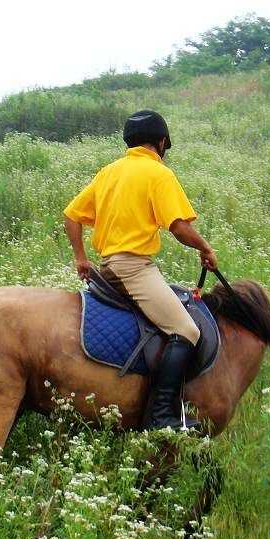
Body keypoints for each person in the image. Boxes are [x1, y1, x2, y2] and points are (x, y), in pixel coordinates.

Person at [63, 110, 218, 432]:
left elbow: (71, 216)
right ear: (162, 142)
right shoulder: (158, 173)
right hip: (133, 268)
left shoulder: (109, 172)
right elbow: (178, 227)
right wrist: (205, 249)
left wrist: (81, 258)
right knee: (187, 331)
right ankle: (162, 417)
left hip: (107, 267)